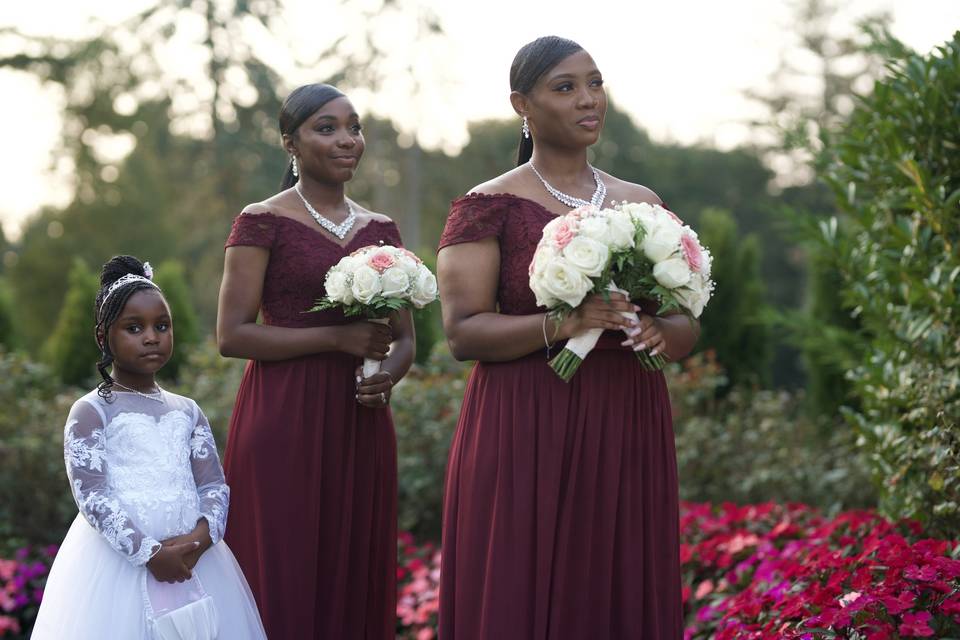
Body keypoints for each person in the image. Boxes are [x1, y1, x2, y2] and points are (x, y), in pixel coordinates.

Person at [436, 36, 699, 639]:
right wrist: (566, 323)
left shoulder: (644, 205)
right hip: (526, 421)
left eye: (596, 83)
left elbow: (687, 324)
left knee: (617, 583)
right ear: (521, 105)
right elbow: (463, 332)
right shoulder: (488, 205)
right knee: (523, 588)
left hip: (627, 418)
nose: (589, 99)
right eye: (566, 87)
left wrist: (662, 330)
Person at [217, 83, 415, 639]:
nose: (347, 139)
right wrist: (336, 340)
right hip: (283, 420)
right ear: (291, 142)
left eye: (353, 126)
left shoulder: (381, 232)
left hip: (361, 421)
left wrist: (388, 379)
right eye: (326, 128)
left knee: (353, 570)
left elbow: (404, 340)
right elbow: (232, 335)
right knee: (282, 571)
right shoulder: (261, 221)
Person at [32, 255, 266, 640]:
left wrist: (199, 541)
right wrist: (150, 554)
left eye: (161, 325)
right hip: (121, 564)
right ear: (103, 336)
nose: (151, 336)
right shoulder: (91, 411)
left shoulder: (187, 411)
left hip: (198, 561)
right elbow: (92, 495)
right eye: (134, 327)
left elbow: (213, 487)